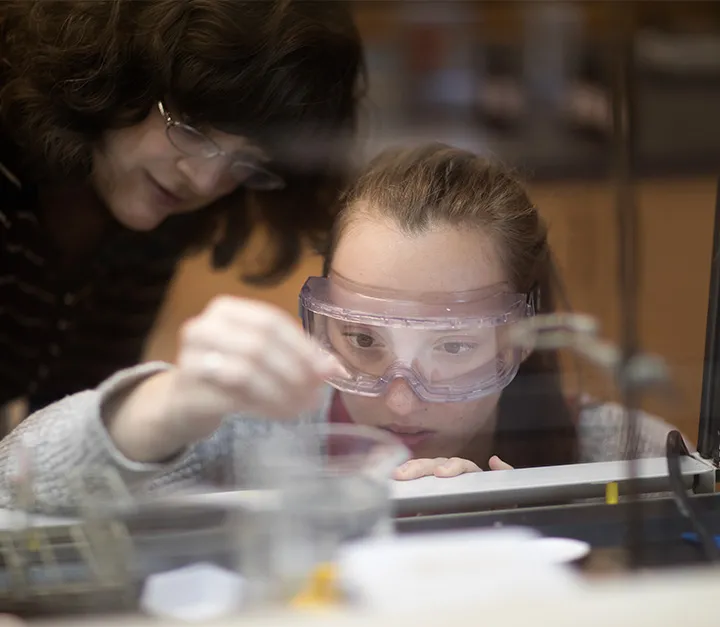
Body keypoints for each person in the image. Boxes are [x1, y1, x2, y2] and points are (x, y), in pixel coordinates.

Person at [0, 143, 676, 513]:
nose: (400, 399)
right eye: (362, 339)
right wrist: (166, 407)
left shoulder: (622, 456)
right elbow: (13, 481)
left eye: (452, 346)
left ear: (520, 339)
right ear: (320, 320)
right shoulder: (258, 433)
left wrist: (524, 523)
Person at [0, 0, 364, 421]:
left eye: (248, 162)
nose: (205, 182)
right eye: (191, 128)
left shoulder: (149, 215)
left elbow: (72, 421)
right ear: (112, 70)